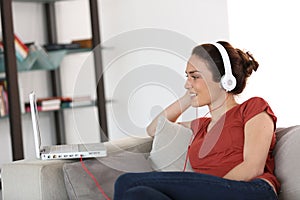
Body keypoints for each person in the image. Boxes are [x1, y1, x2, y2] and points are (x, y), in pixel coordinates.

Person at [113, 41, 279, 200]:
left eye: (195, 76)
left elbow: (252, 168)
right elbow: (154, 129)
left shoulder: (252, 108)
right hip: (211, 194)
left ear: (224, 79)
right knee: (137, 195)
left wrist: (212, 191)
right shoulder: (200, 126)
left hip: (252, 190)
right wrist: (188, 97)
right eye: (187, 76)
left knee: (126, 182)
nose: (187, 83)